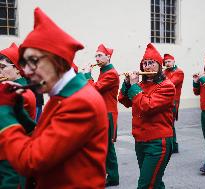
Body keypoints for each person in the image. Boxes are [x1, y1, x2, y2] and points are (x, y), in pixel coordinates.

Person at [0, 7, 108, 189]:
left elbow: (31, 161)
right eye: (24, 63)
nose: (25, 71)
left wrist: (4, 114)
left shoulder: (80, 102)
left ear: (56, 59)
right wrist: (19, 114)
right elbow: (45, 140)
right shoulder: (62, 96)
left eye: (33, 61)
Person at [118, 43, 175, 189]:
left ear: (159, 66)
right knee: (154, 182)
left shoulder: (167, 86)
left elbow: (147, 106)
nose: (147, 67)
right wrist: (127, 84)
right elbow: (124, 100)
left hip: (157, 142)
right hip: (140, 140)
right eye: (145, 64)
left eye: (151, 63)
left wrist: (134, 86)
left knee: (145, 184)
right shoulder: (141, 85)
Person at [0, 43, 36, 189]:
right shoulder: (8, 88)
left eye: (2, 67)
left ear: (16, 68)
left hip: (11, 162)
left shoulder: (21, 93)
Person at [86, 44, 120, 187]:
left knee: (108, 147)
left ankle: (113, 177)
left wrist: (87, 75)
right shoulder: (103, 71)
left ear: (108, 57)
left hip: (108, 114)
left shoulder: (111, 73)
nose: (97, 58)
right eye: (96, 56)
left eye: (100, 55)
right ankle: (106, 173)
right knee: (102, 146)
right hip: (102, 113)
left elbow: (95, 89)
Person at [163, 53, 184, 153]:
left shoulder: (179, 72)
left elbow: (170, 84)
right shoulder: (164, 72)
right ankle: (172, 145)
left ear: (174, 61)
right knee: (167, 124)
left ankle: (172, 146)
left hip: (173, 102)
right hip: (164, 101)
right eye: (166, 62)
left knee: (169, 124)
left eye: (169, 61)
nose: (167, 63)